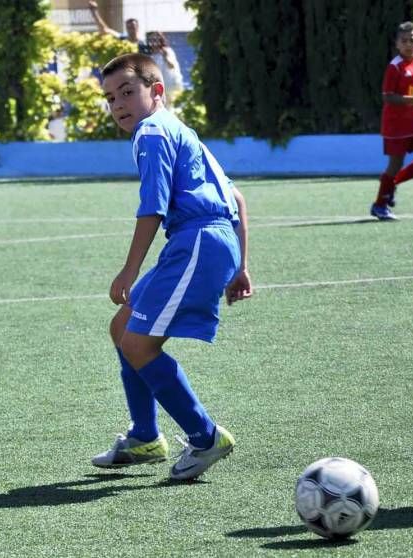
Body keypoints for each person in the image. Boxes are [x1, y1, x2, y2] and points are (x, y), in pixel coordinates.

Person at [92, 53, 252, 481]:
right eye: (110, 98)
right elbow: (236, 198)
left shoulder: (151, 133)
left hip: (197, 241)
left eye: (128, 91)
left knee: (139, 345)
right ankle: (145, 437)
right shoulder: (181, 130)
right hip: (209, 241)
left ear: (156, 90)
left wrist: (128, 271)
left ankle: (205, 437)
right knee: (123, 329)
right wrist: (240, 263)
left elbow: (153, 208)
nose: (118, 104)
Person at [371, 21, 413, 221]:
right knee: (395, 165)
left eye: (412, 40)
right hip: (395, 124)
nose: (408, 44)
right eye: (404, 41)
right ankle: (379, 205)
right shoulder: (395, 67)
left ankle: (391, 185)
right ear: (397, 44)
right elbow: (388, 97)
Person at [146, 31, 184, 104]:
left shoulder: (167, 51)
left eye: (155, 39)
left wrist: (165, 57)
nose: (153, 42)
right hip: (157, 87)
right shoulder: (150, 55)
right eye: (151, 40)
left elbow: (172, 66)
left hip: (169, 86)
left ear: (160, 40)